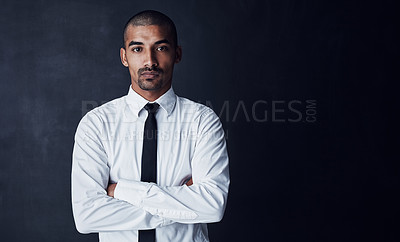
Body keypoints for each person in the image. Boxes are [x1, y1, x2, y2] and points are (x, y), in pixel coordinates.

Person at [71, 10, 230, 242]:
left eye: (161, 48)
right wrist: (181, 204)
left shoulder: (203, 121)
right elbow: (87, 217)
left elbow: (212, 207)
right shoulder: (96, 124)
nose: (150, 61)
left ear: (177, 54)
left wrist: (122, 191)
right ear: (124, 57)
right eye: (138, 49)